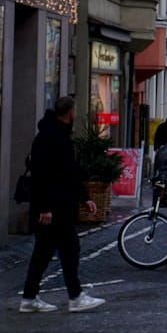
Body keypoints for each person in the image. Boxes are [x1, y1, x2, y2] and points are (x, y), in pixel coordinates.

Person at [18, 97, 104, 313]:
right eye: (74, 110)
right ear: (70, 112)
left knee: (47, 251)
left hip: (58, 205)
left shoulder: (56, 135)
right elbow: (42, 175)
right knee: (66, 249)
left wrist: (85, 198)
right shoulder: (51, 137)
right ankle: (74, 297)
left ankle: (31, 298)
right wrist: (45, 208)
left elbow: (69, 173)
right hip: (53, 207)